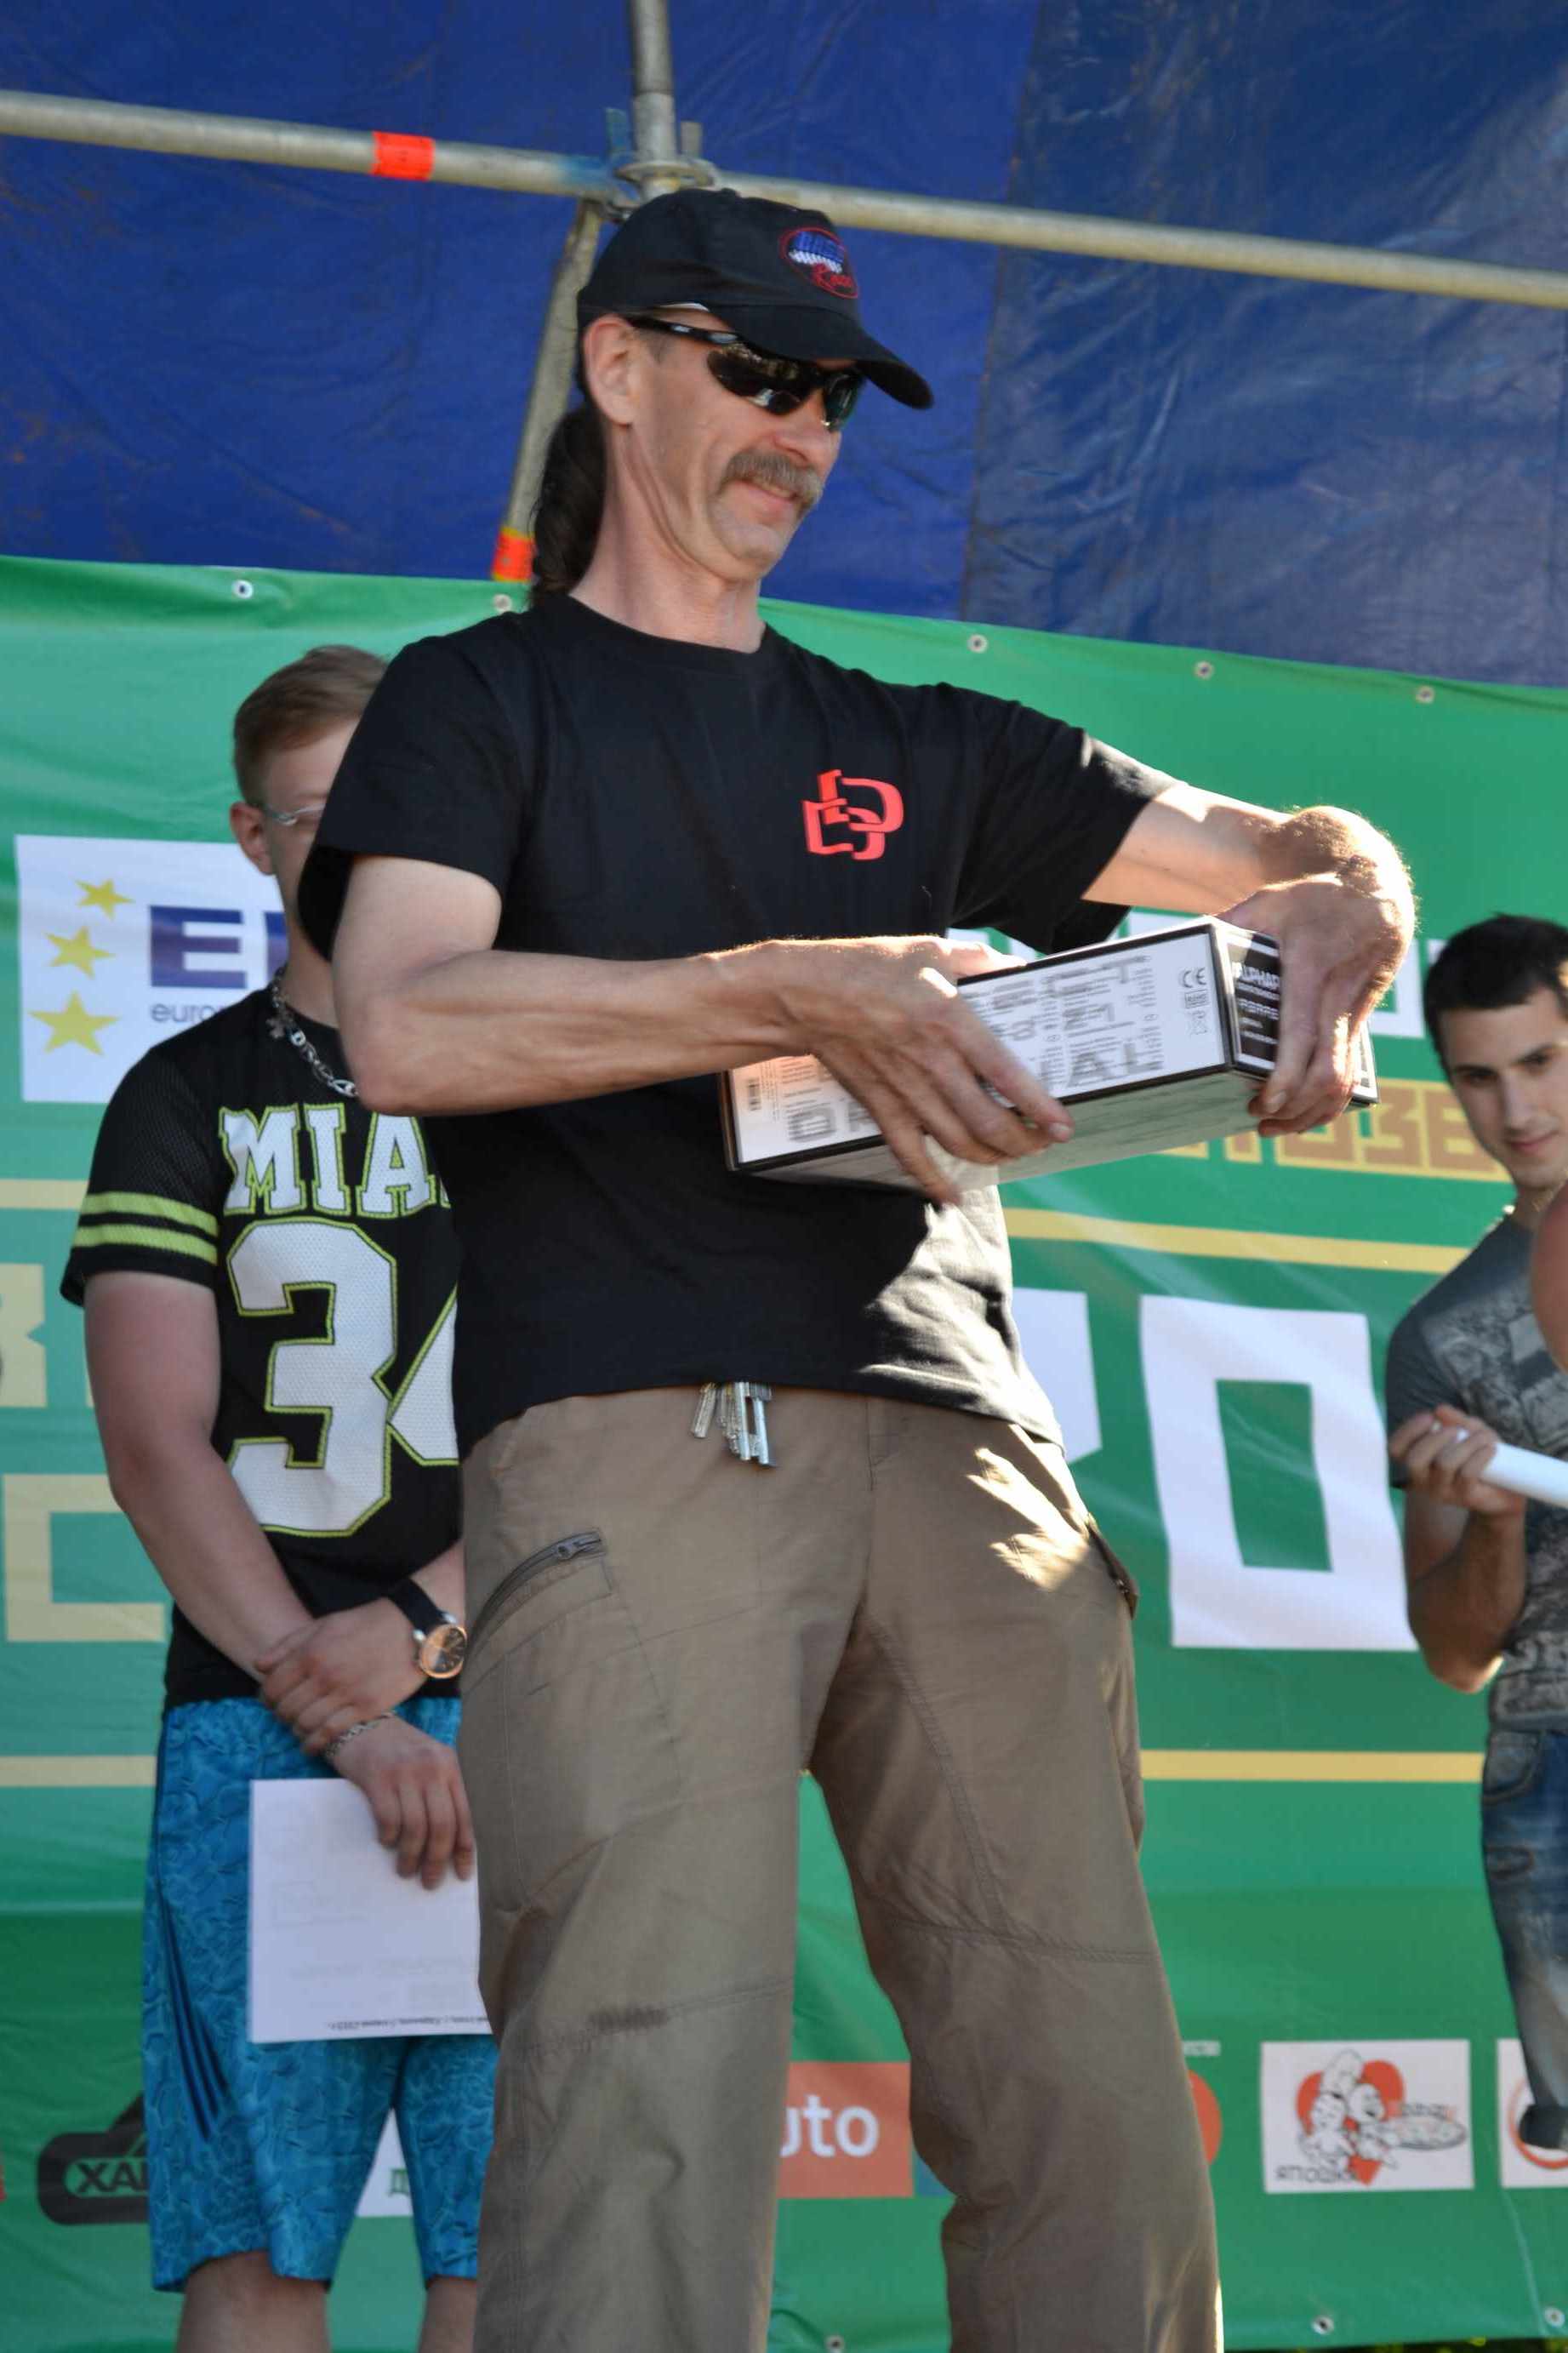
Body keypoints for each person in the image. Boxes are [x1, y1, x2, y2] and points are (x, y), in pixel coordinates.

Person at [298, 190, 1413, 2353]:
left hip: (967, 1453)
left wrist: (1349, 902)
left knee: (1094, 2102)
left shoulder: (924, 741)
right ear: (619, 368)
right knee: (643, 2093)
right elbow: (407, 1024)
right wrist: (787, 986)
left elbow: (1287, 849)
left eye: (831, 396)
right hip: (636, 1441)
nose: (800, 430)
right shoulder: (476, 700)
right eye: (755, 373)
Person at [61, 646, 495, 2353]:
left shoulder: (551, 1087)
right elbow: (154, 1440)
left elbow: (615, 1423)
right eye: (324, 809)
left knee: (520, 2242)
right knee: (259, 2259)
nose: (371, 836)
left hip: (539, 1698)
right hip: (262, 1714)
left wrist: (426, 1626)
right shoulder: (184, 1091)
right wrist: (342, 1707)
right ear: (254, 838)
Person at [1388, 913, 1568, 2156]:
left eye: (1543, 1061)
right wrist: (1497, 1526)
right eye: (1479, 1077)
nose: (1516, 1109)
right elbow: (1455, 1653)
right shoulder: (1440, 1338)